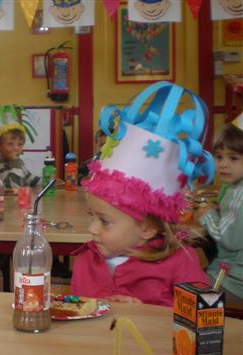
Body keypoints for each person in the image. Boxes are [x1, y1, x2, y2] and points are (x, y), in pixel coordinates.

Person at [71, 82, 212, 307]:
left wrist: (148, 317)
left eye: (104, 221)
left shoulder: (180, 263)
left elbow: (203, 319)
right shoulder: (86, 260)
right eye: (92, 217)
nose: (92, 229)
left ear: (146, 228)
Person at [196, 117, 243, 302]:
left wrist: (207, 215)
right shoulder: (234, 186)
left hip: (233, 281)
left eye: (233, 158)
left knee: (182, 285)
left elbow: (228, 239)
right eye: (219, 156)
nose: (223, 164)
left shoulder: (239, 192)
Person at [0, 105, 41, 189]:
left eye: (20, 144)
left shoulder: (18, 163)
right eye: (10, 144)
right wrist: (16, 162)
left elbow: (31, 179)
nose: (16, 148)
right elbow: (12, 186)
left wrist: (47, 182)